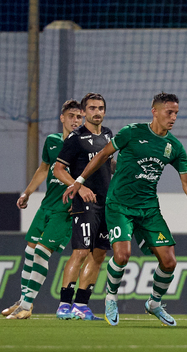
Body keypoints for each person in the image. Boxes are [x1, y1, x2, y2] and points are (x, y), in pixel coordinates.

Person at [63, 92, 187, 327]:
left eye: (176, 113)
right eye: (169, 112)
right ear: (155, 111)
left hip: (149, 209)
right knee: (122, 255)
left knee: (170, 261)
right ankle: (110, 298)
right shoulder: (131, 132)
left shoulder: (174, 146)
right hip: (119, 205)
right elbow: (102, 155)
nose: (173, 117)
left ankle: (154, 303)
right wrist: (80, 180)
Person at [3, 99, 83, 319]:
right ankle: (23, 300)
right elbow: (43, 169)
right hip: (47, 205)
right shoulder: (52, 141)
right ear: (62, 118)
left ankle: (27, 305)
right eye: (71, 116)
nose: (75, 120)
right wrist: (27, 193)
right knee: (30, 250)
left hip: (65, 209)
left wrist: (79, 203)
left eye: (79, 117)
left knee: (41, 252)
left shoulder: (85, 146)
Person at [53, 93, 114, 321]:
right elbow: (58, 169)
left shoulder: (108, 135)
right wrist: (79, 187)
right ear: (85, 112)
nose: (96, 112)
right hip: (85, 202)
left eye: (100, 108)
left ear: (104, 112)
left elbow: (106, 163)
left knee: (99, 254)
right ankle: (64, 304)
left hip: (106, 203)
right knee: (80, 251)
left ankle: (81, 304)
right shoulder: (76, 138)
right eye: (92, 108)